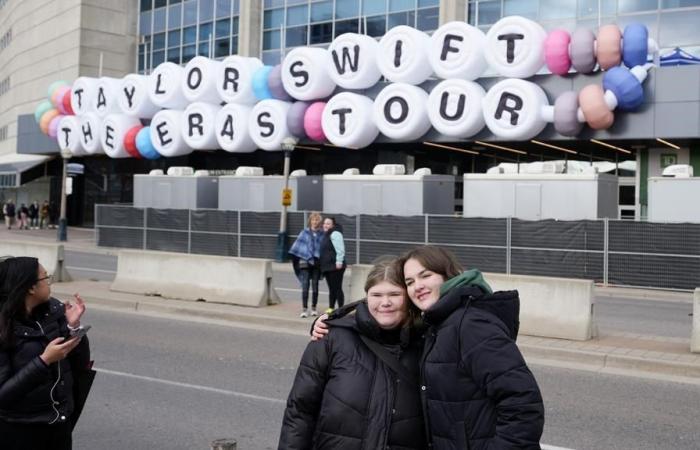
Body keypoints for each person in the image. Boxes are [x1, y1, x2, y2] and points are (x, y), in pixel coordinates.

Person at [313, 245, 545, 449]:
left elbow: (522, 404)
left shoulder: (471, 324)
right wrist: (331, 319)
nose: (418, 286)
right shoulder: (438, 325)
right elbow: (381, 311)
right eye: (410, 282)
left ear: (448, 274)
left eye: (426, 276)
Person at [278, 260, 427, 450]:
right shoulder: (330, 338)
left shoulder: (427, 343)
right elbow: (300, 411)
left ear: (409, 298)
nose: (385, 302)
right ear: (366, 297)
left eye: (395, 294)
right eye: (377, 295)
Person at [0, 256, 92, 450]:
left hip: (58, 423)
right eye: (45, 278)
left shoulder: (52, 312)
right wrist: (44, 361)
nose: (49, 283)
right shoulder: (3, 329)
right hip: (18, 431)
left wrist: (72, 328)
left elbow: (79, 365)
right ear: (31, 288)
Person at [289, 212, 324, 318]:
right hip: (304, 263)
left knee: (315, 287)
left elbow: (323, 248)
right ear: (310, 221)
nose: (315, 222)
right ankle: (304, 309)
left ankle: (313, 308)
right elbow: (297, 247)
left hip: (317, 264)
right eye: (313, 220)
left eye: (317, 220)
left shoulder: (322, 234)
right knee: (305, 287)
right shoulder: (304, 232)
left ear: (319, 222)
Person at [318, 217, 346, 313]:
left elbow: (340, 249)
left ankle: (341, 308)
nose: (325, 225)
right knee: (331, 288)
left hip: (335, 266)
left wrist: (339, 262)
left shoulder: (335, 233)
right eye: (325, 223)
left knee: (337, 287)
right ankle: (331, 307)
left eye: (328, 224)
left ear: (333, 225)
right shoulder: (326, 234)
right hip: (328, 267)